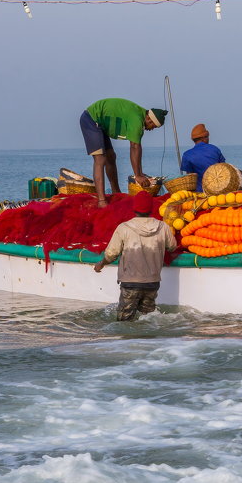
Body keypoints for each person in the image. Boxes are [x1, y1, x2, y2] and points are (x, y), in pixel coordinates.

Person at [93, 190, 178, 320]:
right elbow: (172, 246)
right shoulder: (163, 227)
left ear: (135, 208)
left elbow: (111, 254)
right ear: (151, 208)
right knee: (148, 319)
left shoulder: (124, 228)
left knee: (124, 321)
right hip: (152, 282)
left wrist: (101, 264)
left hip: (130, 283)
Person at [80, 98, 168, 207]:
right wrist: (138, 176)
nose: (152, 129)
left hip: (101, 124)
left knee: (111, 157)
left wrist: (140, 173)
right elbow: (134, 147)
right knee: (100, 158)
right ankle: (101, 201)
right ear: (149, 119)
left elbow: (137, 148)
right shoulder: (137, 119)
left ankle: (116, 193)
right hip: (92, 119)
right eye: (154, 126)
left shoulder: (139, 117)